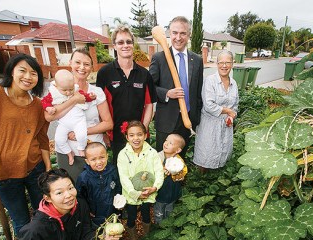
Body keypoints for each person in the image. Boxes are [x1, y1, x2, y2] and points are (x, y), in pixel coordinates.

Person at [0, 53, 51, 235]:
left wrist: (47, 166)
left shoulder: (37, 105)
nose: (28, 77)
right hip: (4, 172)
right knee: (21, 220)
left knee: (45, 213)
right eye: (22, 71)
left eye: (33, 73)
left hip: (35, 169)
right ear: (12, 72)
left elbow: (42, 138)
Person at [44, 48, 113, 182]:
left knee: (96, 189)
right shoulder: (57, 88)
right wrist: (74, 99)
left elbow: (108, 123)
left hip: (94, 151)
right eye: (78, 62)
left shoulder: (96, 92)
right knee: (73, 188)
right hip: (68, 151)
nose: (82, 67)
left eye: (86, 64)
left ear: (91, 67)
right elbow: (49, 117)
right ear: (70, 63)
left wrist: (82, 133)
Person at [96, 24, 157, 163]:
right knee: (122, 172)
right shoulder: (104, 73)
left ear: (133, 44)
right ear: (114, 46)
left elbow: (149, 105)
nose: (125, 45)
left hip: (139, 136)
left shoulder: (144, 74)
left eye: (129, 42)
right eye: (120, 42)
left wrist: (144, 130)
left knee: (141, 170)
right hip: (116, 135)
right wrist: (104, 133)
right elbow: (98, 106)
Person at [149, 16, 204, 156]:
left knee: (181, 159)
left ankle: (180, 178)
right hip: (166, 121)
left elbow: (198, 92)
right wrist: (167, 93)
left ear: (189, 35)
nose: (178, 37)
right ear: (169, 34)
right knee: (163, 160)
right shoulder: (159, 58)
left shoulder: (197, 60)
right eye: (174, 33)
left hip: (187, 121)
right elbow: (149, 88)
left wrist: (195, 119)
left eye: (183, 33)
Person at [117, 121, 164, 240]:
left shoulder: (152, 152)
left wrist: (155, 187)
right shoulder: (123, 154)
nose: (136, 138)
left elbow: (159, 171)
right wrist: (134, 193)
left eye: (139, 134)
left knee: (146, 213)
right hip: (131, 193)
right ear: (127, 137)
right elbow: (124, 177)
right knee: (131, 215)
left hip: (148, 191)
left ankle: (146, 235)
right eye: (131, 135)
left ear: (145, 135)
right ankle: (132, 237)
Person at [75, 142, 124, 240]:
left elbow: (118, 187)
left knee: (115, 229)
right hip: (95, 213)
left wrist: (120, 200)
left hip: (112, 210)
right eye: (93, 159)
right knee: (99, 231)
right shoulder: (84, 177)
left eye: (102, 157)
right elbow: (80, 197)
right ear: (87, 161)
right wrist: (87, 211)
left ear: (107, 156)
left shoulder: (113, 171)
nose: (99, 162)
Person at [193, 50, 238, 170]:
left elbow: (235, 106)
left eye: (227, 62)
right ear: (217, 64)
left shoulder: (234, 83)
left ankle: (216, 177)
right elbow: (209, 105)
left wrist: (231, 116)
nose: (224, 66)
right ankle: (200, 179)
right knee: (206, 154)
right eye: (221, 62)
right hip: (210, 124)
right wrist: (228, 111)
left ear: (232, 64)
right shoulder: (210, 81)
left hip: (225, 125)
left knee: (222, 152)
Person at [42, 69, 96, 166]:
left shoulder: (76, 90)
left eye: (70, 89)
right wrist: (48, 107)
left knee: (81, 135)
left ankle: (81, 149)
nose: (68, 92)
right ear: (56, 86)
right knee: (59, 140)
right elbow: (44, 102)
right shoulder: (53, 93)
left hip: (78, 120)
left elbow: (85, 97)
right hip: (63, 123)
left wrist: (91, 97)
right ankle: (68, 153)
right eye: (64, 90)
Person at [154, 134, 187, 224]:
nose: (166, 143)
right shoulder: (158, 157)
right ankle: (159, 225)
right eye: (166, 140)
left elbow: (183, 172)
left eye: (170, 143)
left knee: (170, 209)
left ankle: (168, 225)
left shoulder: (179, 161)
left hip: (172, 192)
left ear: (178, 150)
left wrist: (178, 174)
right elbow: (152, 171)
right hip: (161, 192)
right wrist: (162, 170)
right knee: (159, 210)